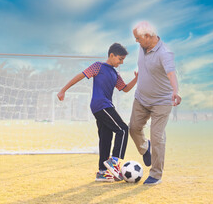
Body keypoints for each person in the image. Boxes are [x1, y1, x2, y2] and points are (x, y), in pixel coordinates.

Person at [57, 43, 138, 182]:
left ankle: (102, 172)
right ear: (111, 55)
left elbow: (124, 88)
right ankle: (114, 161)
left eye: (123, 60)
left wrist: (137, 78)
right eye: (120, 59)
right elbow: (80, 76)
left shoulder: (115, 73)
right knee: (123, 130)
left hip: (102, 106)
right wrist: (63, 89)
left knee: (106, 138)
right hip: (101, 105)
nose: (122, 62)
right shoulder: (97, 66)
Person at [129, 21, 181, 185]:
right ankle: (145, 147)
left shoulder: (165, 53)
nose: (136, 41)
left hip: (161, 102)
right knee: (133, 128)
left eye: (137, 38)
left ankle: (156, 174)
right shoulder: (142, 46)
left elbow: (171, 73)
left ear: (147, 36)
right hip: (141, 99)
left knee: (157, 137)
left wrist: (175, 91)